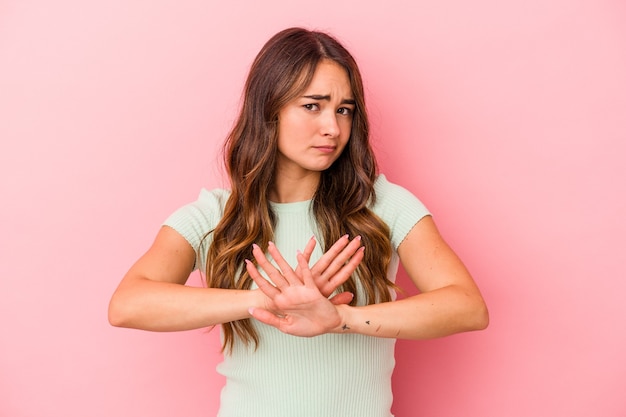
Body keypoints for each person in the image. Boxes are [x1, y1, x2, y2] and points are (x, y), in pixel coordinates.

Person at [108, 27, 489, 417]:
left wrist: (341, 318)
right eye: (313, 106)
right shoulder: (215, 216)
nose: (333, 128)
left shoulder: (381, 204)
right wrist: (271, 300)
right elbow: (127, 304)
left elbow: (466, 306)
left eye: (344, 109)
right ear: (270, 109)